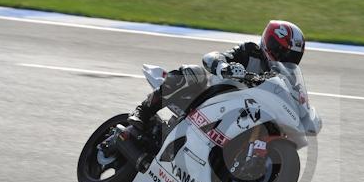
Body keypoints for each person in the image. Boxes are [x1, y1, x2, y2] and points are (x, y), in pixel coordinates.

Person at [127, 20, 306, 130]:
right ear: (270, 43)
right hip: (210, 98)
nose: (284, 59)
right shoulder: (250, 51)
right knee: (194, 73)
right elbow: (212, 57)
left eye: (291, 56)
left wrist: (305, 115)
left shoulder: (286, 80)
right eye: (281, 52)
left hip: (240, 117)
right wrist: (225, 67)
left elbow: (297, 101)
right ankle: (142, 112)